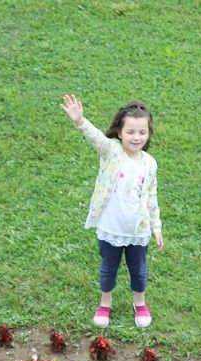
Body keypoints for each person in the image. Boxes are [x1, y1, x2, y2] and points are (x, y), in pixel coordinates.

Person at [59, 95, 163, 330]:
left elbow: (151, 197)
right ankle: (105, 303)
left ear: (148, 134)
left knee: (139, 269)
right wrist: (79, 121)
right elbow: (95, 137)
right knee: (109, 268)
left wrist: (156, 227)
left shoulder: (150, 164)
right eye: (131, 132)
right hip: (110, 228)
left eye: (142, 132)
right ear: (119, 132)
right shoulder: (112, 152)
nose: (136, 137)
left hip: (138, 231)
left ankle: (140, 303)